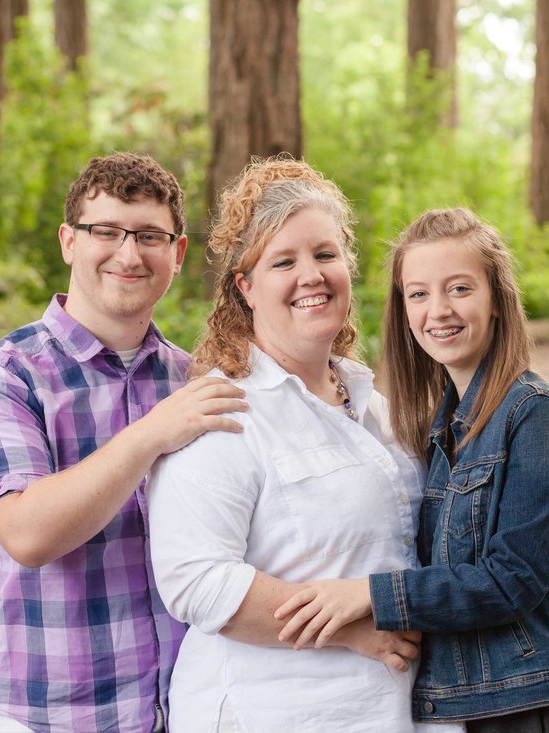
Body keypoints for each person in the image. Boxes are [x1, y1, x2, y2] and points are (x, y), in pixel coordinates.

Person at [146, 158, 464, 733]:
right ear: (245, 286)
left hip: (389, 711)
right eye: (283, 261)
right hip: (277, 709)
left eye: (325, 254)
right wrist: (349, 629)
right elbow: (195, 578)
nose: (311, 275)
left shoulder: (375, 406)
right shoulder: (225, 410)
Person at [0, 152, 247, 733]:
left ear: (177, 253)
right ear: (68, 241)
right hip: (54, 716)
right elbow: (29, 534)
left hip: (189, 709)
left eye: (148, 236)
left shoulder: (198, 383)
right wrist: (152, 435)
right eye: (105, 232)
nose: (128, 253)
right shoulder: (3, 378)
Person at [275, 208, 549, 732]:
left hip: (525, 706)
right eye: (419, 293)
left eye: (459, 289)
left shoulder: (533, 412)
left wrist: (369, 593)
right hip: (457, 709)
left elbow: (513, 579)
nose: (439, 311)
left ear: (497, 301)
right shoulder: (438, 427)